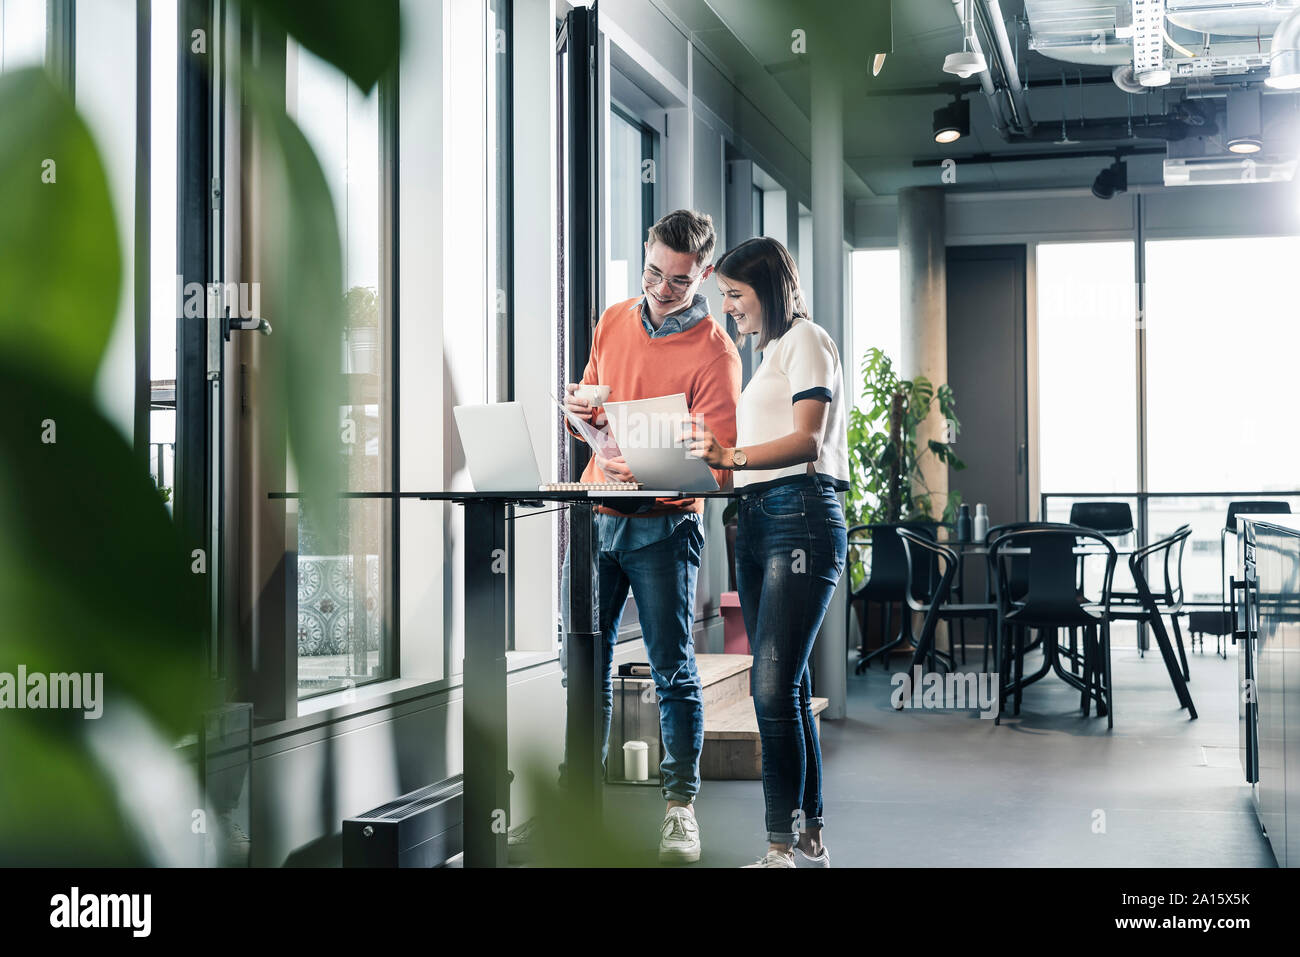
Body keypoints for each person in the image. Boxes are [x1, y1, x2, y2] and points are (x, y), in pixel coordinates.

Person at [561, 209, 742, 864]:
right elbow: (596, 395)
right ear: (644, 255)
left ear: (705, 275)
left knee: (672, 670)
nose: (661, 290)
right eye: (653, 274)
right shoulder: (612, 319)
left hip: (665, 524)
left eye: (678, 282)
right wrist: (583, 403)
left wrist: (656, 462)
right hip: (595, 516)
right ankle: (577, 801)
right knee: (582, 664)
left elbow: (720, 466)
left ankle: (679, 808)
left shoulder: (717, 353)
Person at [683, 236, 849, 868]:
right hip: (754, 518)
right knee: (788, 683)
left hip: (798, 518)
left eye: (734, 295)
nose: (728, 308)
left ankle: (779, 848)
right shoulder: (774, 352)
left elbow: (808, 440)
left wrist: (734, 456)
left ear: (769, 290)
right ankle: (808, 835)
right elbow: (752, 455)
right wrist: (711, 461)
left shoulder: (807, 340)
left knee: (772, 688)